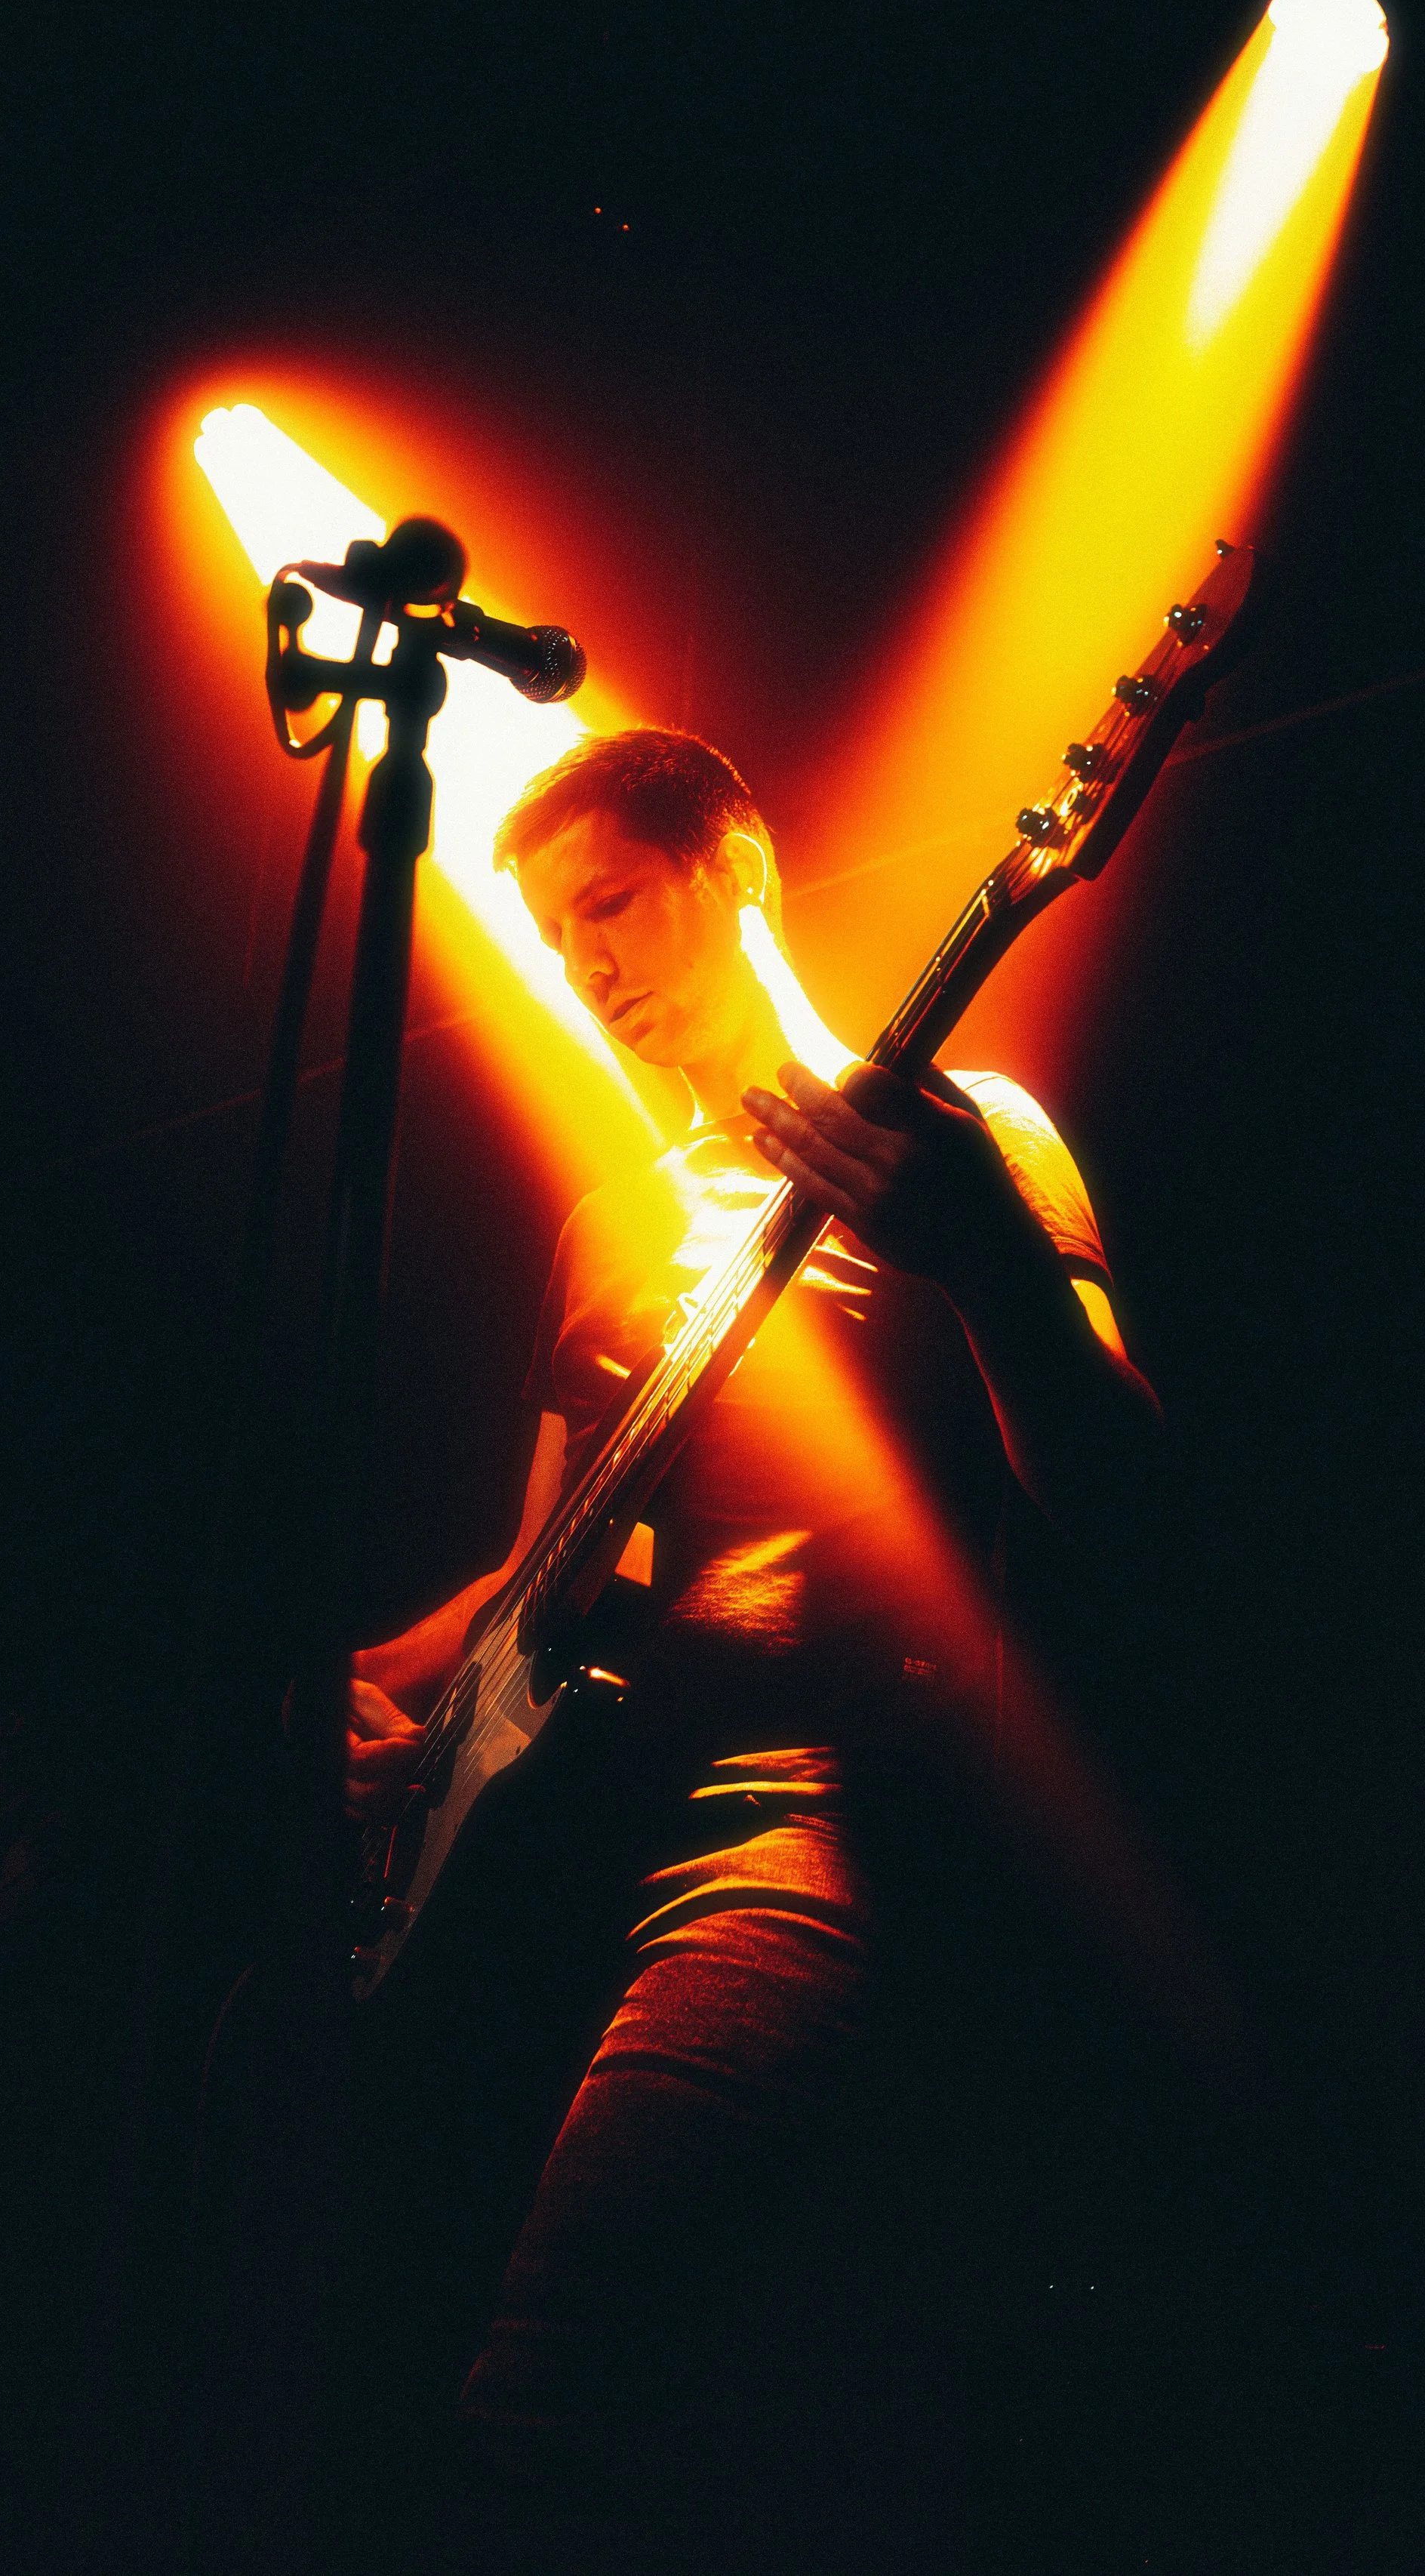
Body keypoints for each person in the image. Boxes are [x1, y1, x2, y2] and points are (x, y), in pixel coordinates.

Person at [339, 728, 1162, 2568]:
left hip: (806, 1819)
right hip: (569, 1841)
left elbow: (1123, 1500)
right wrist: (378, 1688)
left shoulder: (962, 1130)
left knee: (549, 2403)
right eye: (556, 940)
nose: (588, 966)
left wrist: (984, 1266)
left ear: (738, 871)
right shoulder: (604, 1223)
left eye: (614, 906)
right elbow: (533, 1570)